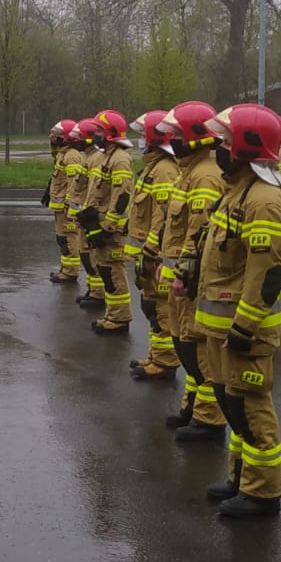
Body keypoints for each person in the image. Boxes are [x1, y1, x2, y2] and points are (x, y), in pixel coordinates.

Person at [195, 103, 281, 517]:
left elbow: (267, 272)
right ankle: (240, 477)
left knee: (251, 407)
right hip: (221, 328)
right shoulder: (235, 192)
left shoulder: (264, 200)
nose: (218, 148)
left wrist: (245, 325)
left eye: (225, 141)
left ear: (248, 147)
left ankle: (263, 492)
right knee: (233, 404)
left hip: (243, 331)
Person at [155, 101, 227, 438]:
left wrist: (184, 272)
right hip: (178, 277)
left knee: (198, 346)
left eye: (179, 135)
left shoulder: (205, 176)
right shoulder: (188, 172)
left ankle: (209, 418)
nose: (174, 141)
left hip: (191, 281)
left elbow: (198, 232)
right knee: (184, 342)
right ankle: (192, 406)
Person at [126, 110, 181, 379]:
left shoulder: (164, 170)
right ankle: (156, 355)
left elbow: (164, 216)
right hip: (147, 253)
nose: (140, 141)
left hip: (155, 255)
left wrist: (151, 251)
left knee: (161, 309)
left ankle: (165, 362)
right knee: (151, 307)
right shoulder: (153, 167)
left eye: (142, 136)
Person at [83, 109, 135, 335]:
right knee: (105, 271)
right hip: (102, 225)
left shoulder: (120, 159)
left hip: (110, 230)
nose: (95, 135)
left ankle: (120, 318)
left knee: (114, 272)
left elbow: (121, 196)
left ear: (111, 133)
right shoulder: (107, 157)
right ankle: (112, 314)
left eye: (99, 131)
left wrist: (108, 226)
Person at [70, 118, 106, 309]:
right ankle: (92, 290)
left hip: (89, 215)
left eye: (80, 137)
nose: (77, 141)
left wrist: (88, 215)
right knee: (86, 254)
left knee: (92, 256)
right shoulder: (89, 157)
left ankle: (98, 293)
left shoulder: (96, 159)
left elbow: (94, 190)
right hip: (84, 214)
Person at [45, 119, 81, 285]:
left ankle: (71, 272)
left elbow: (74, 184)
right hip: (60, 208)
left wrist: (69, 205)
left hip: (66, 209)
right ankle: (65, 268)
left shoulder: (72, 156)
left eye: (58, 134)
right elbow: (55, 154)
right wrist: (53, 143)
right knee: (62, 239)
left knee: (69, 238)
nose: (53, 136)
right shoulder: (63, 153)